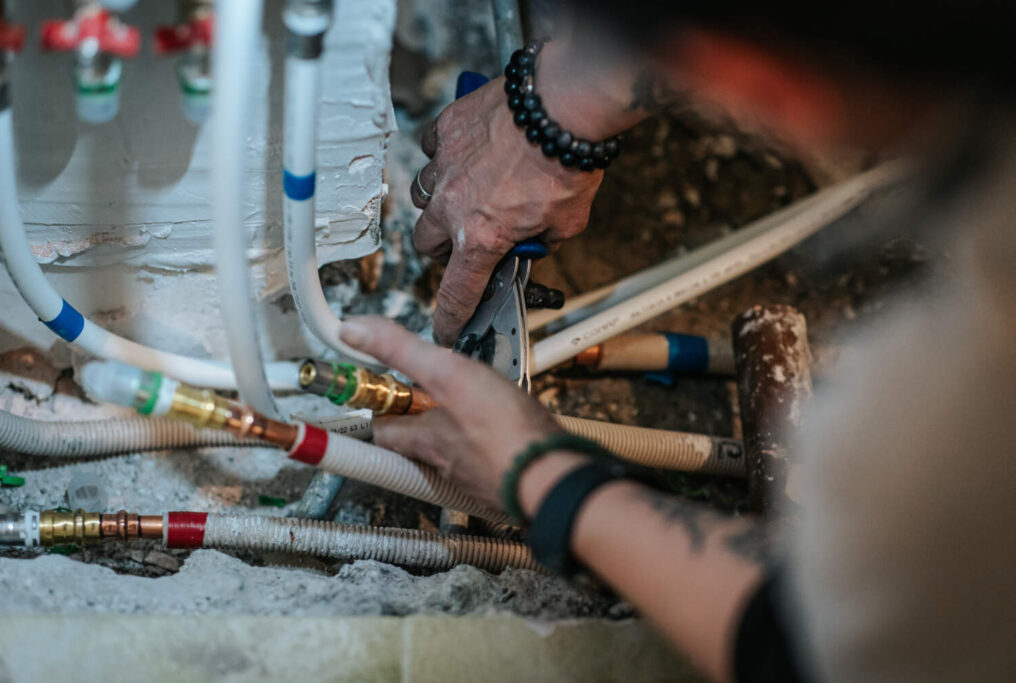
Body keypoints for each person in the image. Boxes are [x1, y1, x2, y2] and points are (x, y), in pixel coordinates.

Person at [337, 4, 1016, 681]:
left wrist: (539, 475)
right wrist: (553, 108)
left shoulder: (953, 433)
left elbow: (808, 643)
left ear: (765, 86)